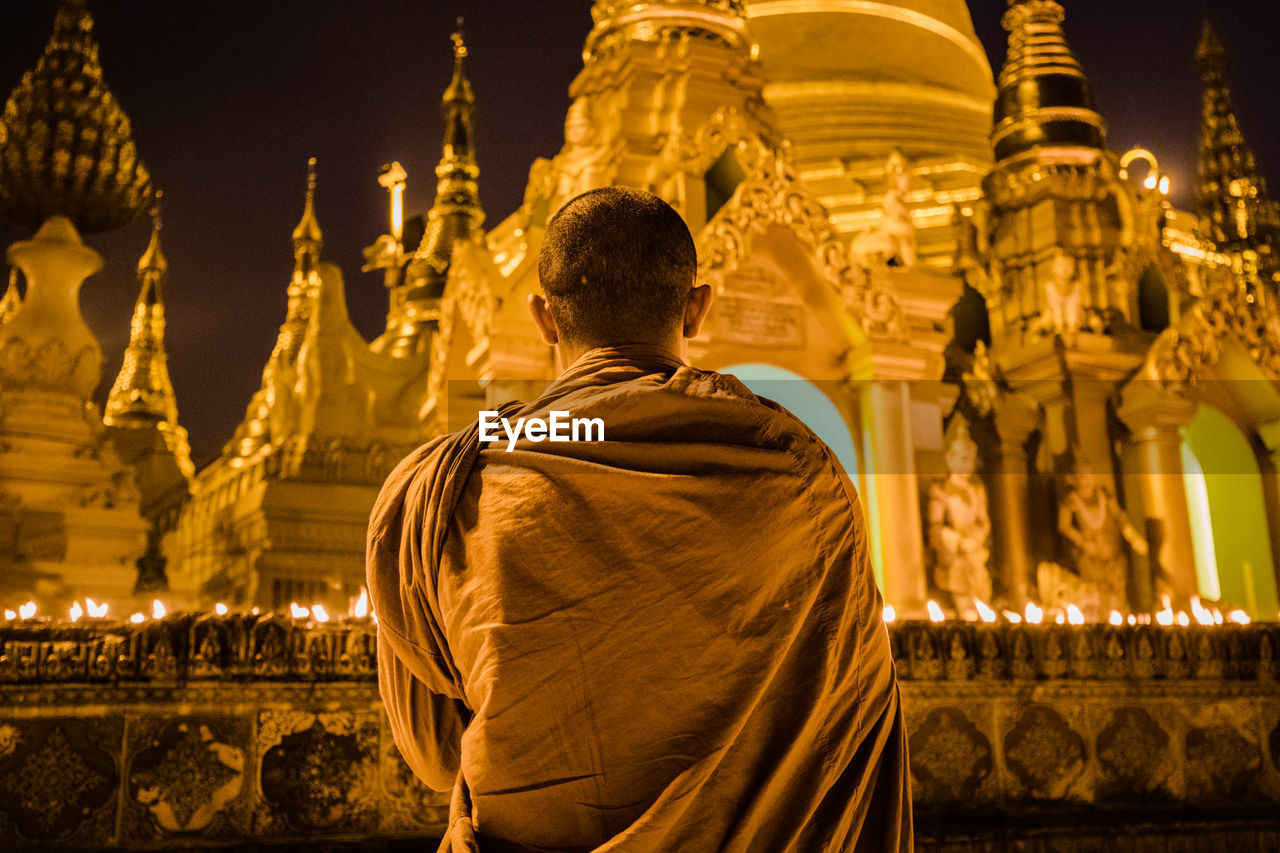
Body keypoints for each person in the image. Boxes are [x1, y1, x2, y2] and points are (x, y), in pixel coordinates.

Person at [367, 186, 911, 852]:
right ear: (698, 307)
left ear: (543, 318)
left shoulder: (441, 486)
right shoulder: (803, 468)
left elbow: (435, 753)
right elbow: (851, 722)